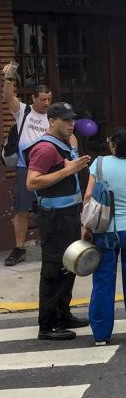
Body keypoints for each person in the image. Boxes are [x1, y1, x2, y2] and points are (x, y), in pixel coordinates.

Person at [24, 102, 91, 341]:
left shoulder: (63, 143)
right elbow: (32, 183)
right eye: (65, 120)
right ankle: (48, 324)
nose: (71, 123)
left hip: (69, 215)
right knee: (53, 269)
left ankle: (63, 314)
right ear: (52, 121)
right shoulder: (45, 148)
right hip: (54, 218)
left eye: (72, 119)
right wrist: (69, 169)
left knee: (69, 265)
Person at [84, 127, 126, 345]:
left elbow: (88, 196)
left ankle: (101, 335)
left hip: (104, 229)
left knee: (103, 281)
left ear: (115, 145)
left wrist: (86, 226)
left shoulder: (100, 164)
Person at [3, 61, 60, 267]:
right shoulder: (24, 111)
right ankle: (19, 248)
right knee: (21, 209)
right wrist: (9, 78)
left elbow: (67, 135)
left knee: (50, 208)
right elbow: (8, 98)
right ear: (34, 98)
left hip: (50, 169)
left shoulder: (55, 117)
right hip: (25, 168)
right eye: (43, 99)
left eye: (49, 99)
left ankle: (50, 246)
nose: (46, 103)